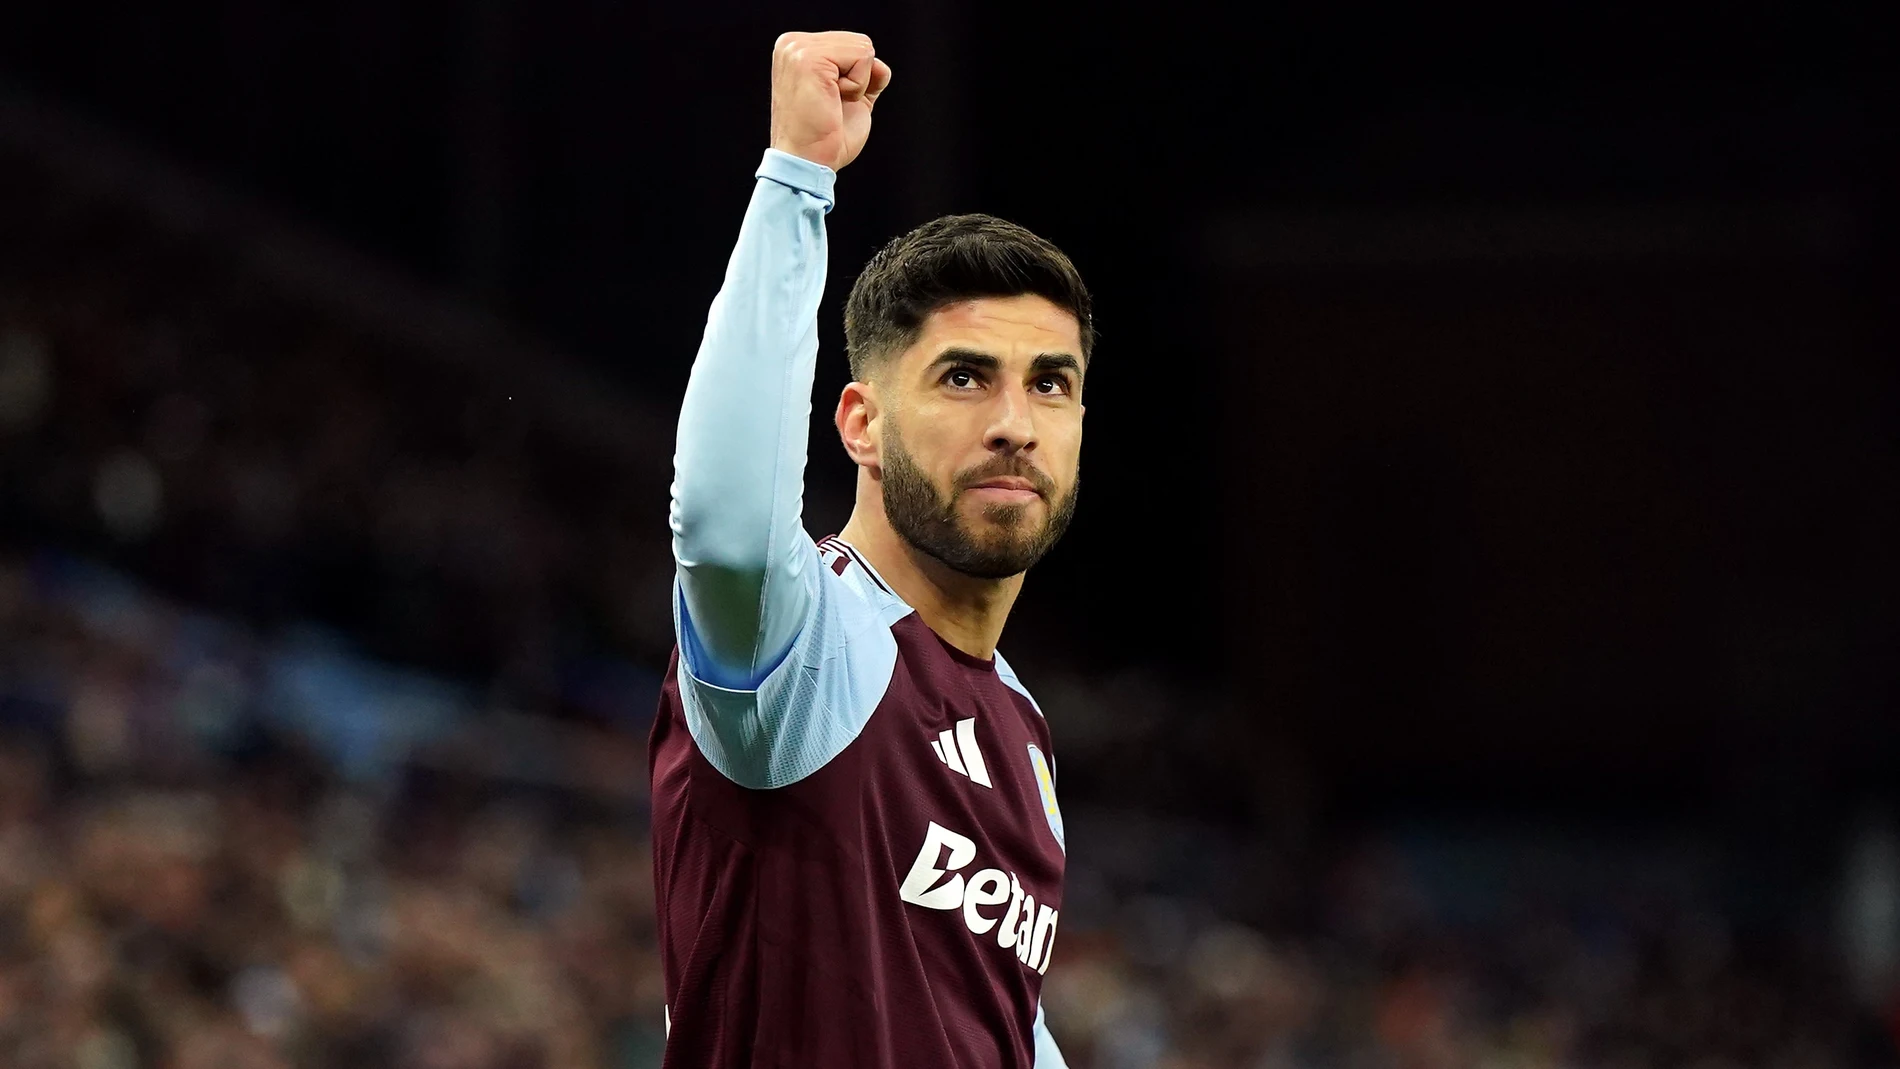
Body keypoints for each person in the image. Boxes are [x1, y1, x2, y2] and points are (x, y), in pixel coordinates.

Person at [648, 29, 1091, 1068]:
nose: (1016, 424)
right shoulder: (804, 648)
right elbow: (720, 524)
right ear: (860, 425)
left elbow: (1001, 1025)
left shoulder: (1020, 728)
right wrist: (797, 179)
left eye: (1051, 384)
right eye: (963, 378)